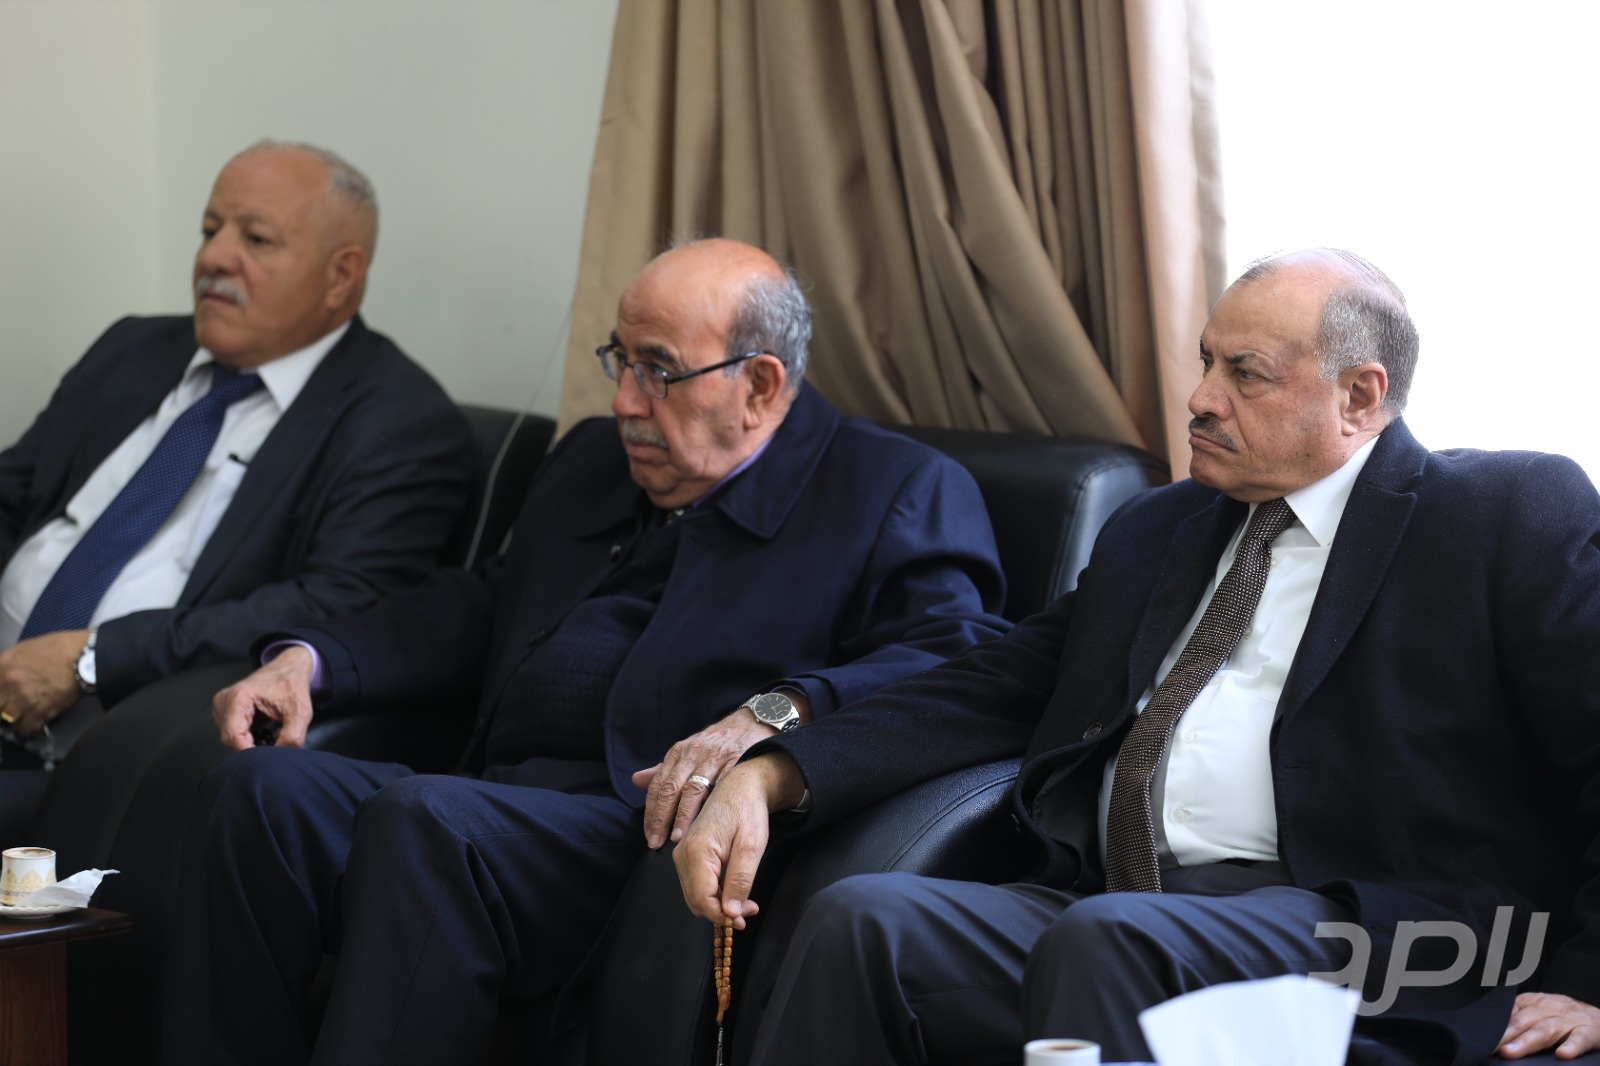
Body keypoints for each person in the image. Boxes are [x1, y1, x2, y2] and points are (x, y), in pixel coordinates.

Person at [676, 248, 1600, 1064]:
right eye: (1206, 361)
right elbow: (997, 682)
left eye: (1245, 374)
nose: (1201, 397)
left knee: (1112, 939)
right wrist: (779, 769)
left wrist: (1591, 980)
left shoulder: (1501, 515)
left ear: (1358, 397)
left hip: (1386, 930)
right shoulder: (1158, 529)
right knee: (866, 920)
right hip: (1127, 900)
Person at [161, 237, 1011, 1064]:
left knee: (428, 821)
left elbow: (950, 659)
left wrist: (778, 712)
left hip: (647, 834)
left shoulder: (893, 489)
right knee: (256, 791)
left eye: (659, 370)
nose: (626, 403)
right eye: (622, 361)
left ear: (758, 384)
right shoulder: (591, 464)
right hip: (494, 803)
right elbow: (482, 603)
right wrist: (307, 661)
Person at [0, 140, 474, 842]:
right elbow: (13, 494)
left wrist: (94, 656)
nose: (214, 258)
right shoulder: (133, 350)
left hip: (95, 759)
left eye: (255, 239)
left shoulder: (400, 424)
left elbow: (333, 605)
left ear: (341, 275)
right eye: (210, 229)